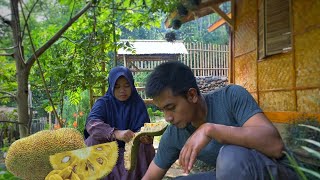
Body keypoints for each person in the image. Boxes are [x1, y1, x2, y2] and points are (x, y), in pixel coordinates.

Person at [142, 61, 298, 180]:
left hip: (276, 171)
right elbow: (150, 177)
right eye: (163, 110)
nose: (167, 117)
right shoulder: (175, 133)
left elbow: (275, 146)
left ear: (191, 95)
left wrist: (210, 130)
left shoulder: (231, 97)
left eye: (171, 107)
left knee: (230, 158)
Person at [84, 66, 155, 180]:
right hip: (106, 150)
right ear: (111, 87)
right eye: (117, 87)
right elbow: (91, 124)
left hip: (132, 152)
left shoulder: (138, 104)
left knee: (145, 147)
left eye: (126, 86)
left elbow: (144, 129)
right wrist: (116, 133)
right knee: (91, 141)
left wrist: (145, 137)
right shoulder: (103, 103)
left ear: (132, 85)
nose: (122, 90)